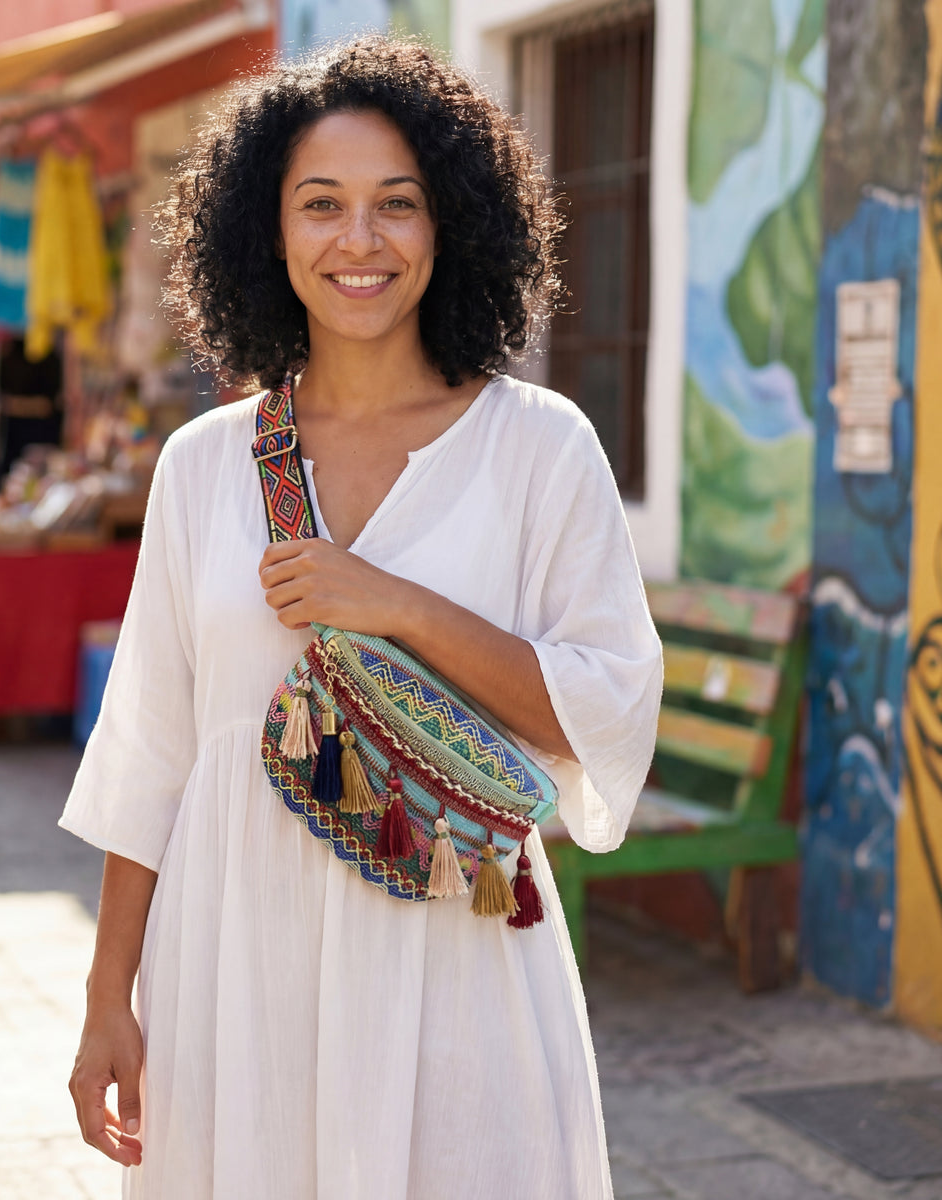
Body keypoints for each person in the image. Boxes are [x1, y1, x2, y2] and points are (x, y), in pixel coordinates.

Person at [61, 36, 663, 1199]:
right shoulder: (203, 466)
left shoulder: (540, 446)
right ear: (267, 232)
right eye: (321, 205)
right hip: (239, 959)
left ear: (450, 226)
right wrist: (106, 1003)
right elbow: (150, 755)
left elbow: (605, 710)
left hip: (457, 956)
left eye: (398, 205)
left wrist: (397, 606)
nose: (360, 241)